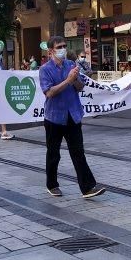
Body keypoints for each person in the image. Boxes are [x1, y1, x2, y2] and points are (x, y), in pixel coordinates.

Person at [39, 36, 105, 199]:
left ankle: (88, 188)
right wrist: (68, 80)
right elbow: (49, 92)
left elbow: (80, 87)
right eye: (59, 47)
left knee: (78, 152)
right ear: (50, 51)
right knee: (53, 154)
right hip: (54, 117)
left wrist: (75, 79)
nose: (63, 49)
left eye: (64, 46)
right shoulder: (45, 69)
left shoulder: (71, 65)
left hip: (73, 115)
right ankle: (52, 185)